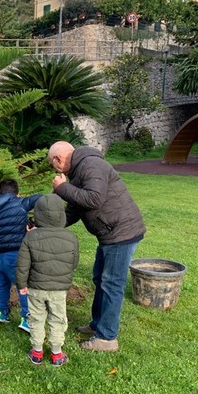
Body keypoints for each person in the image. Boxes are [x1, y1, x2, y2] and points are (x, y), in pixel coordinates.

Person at [49, 141, 145, 352]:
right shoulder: (79, 170)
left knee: (112, 284)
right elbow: (73, 210)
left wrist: (62, 187)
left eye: (52, 166)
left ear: (57, 160)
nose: (53, 171)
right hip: (109, 233)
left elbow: (93, 199)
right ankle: (97, 325)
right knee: (99, 278)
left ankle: (107, 338)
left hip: (121, 232)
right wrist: (45, 224)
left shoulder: (91, 164)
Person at [16, 194, 79, 366]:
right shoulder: (71, 237)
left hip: (36, 287)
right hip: (59, 289)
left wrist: (21, 284)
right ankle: (57, 354)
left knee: (36, 318)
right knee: (58, 318)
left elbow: (22, 264)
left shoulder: (30, 237)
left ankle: (37, 352)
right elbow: (74, 263)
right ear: (62, 214)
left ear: (38, 214)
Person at [0, 178, 42, 331]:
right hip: (16, 253)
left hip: (0, 255)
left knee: (3, 284)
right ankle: (27, 318)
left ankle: (2, 313)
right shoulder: (21, 203)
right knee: (22, 285)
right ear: (18, 193)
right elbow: (41, 198)